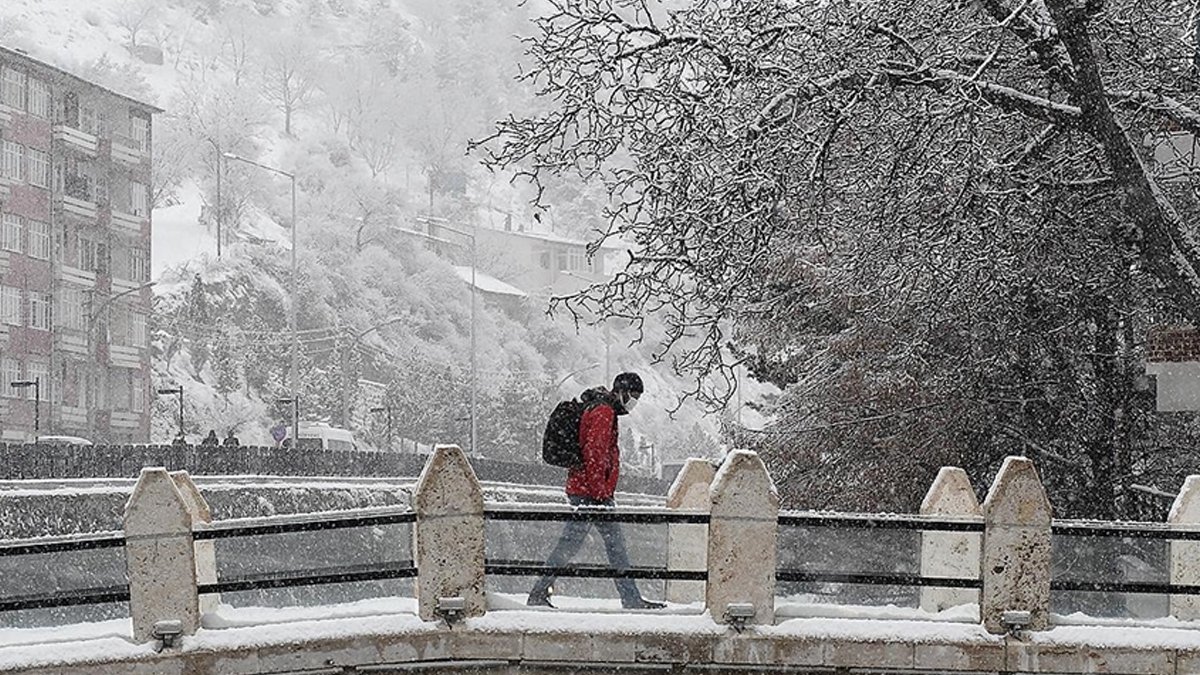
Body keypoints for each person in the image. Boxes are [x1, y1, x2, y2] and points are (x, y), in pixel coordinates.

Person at [527, 372, 665, 610]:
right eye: (632, 395)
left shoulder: (602, 408)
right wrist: (600, 492)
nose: (633, 401)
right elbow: (595, 454)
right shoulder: (603, 411)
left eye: (637, 397)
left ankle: (541, 592)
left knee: (581, 545)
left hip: (589, 490)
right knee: (602, 546)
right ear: (620, 391)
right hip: (591, 493)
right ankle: (629, 598)